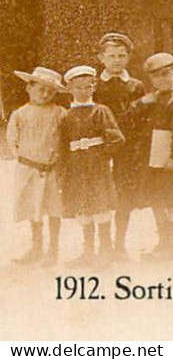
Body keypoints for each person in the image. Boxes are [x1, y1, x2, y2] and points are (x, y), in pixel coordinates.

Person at [58, 65, 124, 265]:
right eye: (79, 87)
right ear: (69, 88)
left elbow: (117, 139)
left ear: (94, 87)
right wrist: (64, 170)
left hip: (97, 168)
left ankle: (105, 252)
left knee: (100, 205)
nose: (84, 91)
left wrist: (100, 154)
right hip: (76, 168)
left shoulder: (100, 111)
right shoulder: (66, 116)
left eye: (88, 87)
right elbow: (62, 145)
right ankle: (88, 253)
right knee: (83, 206)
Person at [135, 52, 173, 260]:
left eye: (166, 73)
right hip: (155, 160)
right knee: (157, 201)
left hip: (170, 162)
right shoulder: (155, 99)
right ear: (151, 79)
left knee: (171, 202)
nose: (162, 79)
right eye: (156, 76)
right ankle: (163, 242)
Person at [93, 32, 146, 259]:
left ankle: (120, 244)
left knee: (124, 194)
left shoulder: (135, 86)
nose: (117, 60)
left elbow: (143, 118)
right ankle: (104, 243)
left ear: (128, 58)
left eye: (121, 56)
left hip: (128, 147)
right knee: (101, 192)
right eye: (112, 55)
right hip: (101, 147)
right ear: (101, 57)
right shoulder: (94, 85)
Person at [7, 67, 64, 265]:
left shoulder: (59, 113)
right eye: (41, 89)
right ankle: (37, 247)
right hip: (30, 169)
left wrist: (57, 161)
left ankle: (53, 249)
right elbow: (12, 141)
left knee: (54, 208)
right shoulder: (20, 114)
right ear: (29, 88)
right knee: (34, 207)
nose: (46, 94)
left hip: (52, 169)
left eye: (50, 91)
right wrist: (25, 161)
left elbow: (64, 139)